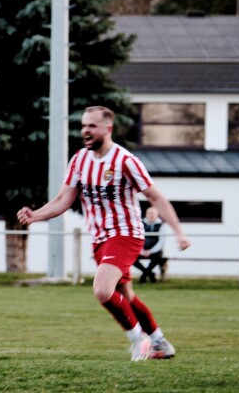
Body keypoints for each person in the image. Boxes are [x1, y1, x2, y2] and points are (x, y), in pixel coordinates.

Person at [17, 106, 191, 361]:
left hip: (125, 234)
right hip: (100, 239)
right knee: (125, 296)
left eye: (92, 126)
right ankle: (160, 343)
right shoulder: (79, 160)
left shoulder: (125, 161)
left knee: (102, 290)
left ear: (108, 128)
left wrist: (178, 232)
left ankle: (138, 340)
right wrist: (36, 215)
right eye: (84, 126)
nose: (86, 131)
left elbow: (156, 197)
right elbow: (63, 199)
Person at [132, 206, 167, 283]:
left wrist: (151, 251)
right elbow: (136, 238)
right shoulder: (140, 224)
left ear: (157, 214)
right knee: (131, 258)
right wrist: (141, 251)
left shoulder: (161, 226)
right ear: (146, 214)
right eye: (149, 213)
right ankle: (149, 274)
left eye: (153, 213)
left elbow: (161, 242)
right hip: (141, 250)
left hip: (155, 252)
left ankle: (144, 274)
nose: (151, 215)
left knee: (158, 258)